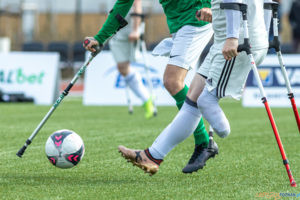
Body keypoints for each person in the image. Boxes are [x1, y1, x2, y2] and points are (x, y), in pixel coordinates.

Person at [118, 0, 271, 175]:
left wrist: (232, 38)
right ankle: (152, 156)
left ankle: (212, 140)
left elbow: (234, 1)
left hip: (237, 42)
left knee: (205, 101)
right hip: (226, 39)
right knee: (193, 96)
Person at [84, 0, 216, 172]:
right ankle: (199, 143)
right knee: (175, 83)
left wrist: (212, 7)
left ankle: (203, 143)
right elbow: (122, 5)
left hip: (195, 20)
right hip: (179, 24)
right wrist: (100, 38)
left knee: (173, 81)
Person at [108, 0, 154, 119]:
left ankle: (146, 100)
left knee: (128, 64)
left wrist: (135, 30)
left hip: (131, 28)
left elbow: (137, 5)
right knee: (122, 67)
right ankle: (147, 98)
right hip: (117, 30)